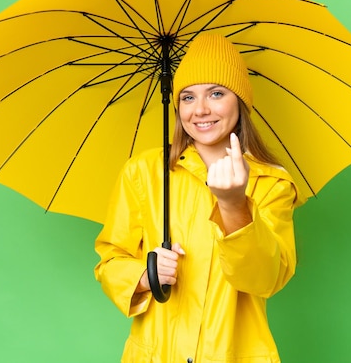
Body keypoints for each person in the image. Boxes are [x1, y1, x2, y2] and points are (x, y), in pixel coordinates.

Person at [94, 33, 304, 363]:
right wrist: (146, 274)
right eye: (188, 97)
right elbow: (110, 259)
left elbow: (265, 279)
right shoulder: (143, 172)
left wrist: (234, 204)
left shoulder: (271, 183)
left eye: (216, 93)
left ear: (240, 101)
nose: (201, 110)